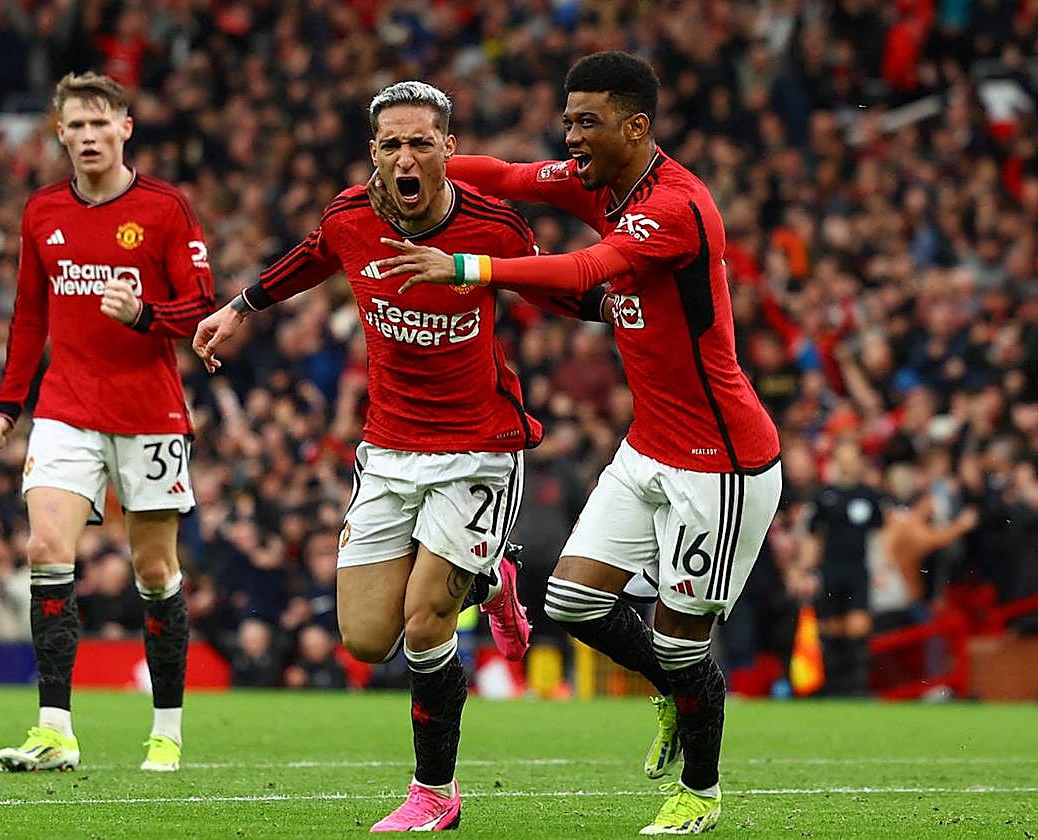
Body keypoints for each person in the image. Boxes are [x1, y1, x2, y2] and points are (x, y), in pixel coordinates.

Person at [372, 52, 782, 835]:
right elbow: (514, 176)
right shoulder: (600, 179)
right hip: (651, 446)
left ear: (637, 126)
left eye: (586, 122)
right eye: (568, 121)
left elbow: (594, 265)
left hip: (722, 462)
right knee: (572, 601)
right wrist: (426, 155)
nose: (571, 136)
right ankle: (677, 688)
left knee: (681, 638)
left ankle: (698, 791)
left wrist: (470, 266)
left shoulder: (679, 206)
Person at [193, 81, 604, 832]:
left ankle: (435, 793)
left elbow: (561, 292)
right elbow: (312, 256)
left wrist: (633, 290)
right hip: (387, 450)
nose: (406, 157)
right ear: (373, 155)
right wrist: (240, 307)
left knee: (423, 627)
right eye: (392, 145)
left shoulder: (492, 225)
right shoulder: (351, 217)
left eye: (422, 142)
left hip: (479, 449)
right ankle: (489, 576)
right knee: (366, 638)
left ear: (450, 149)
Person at [0, 72, 214, 773]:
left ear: (125, 128)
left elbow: (200, 305)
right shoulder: (42, 212)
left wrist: (144, 315)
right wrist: (6, 406)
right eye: (75, 125)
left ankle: (165, 729)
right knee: (46, 548)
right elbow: (29, 315)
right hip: (66, 408)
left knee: (154, 568)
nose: (87, 137)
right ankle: (55, 729)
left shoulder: (167, 209)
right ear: (59, 132)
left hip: (148, 412)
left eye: (99, 124)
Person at [801, 440, 883, 696]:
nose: (848, 463)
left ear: (859, 461)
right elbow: (814, 536)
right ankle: (834, 688)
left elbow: (879, 535)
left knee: (858, 626)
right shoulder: (825, 495)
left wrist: (882, 568)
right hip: (831, 569)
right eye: (843, 457)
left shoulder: (869, 495)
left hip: (857, 570)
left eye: (852, 456)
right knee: (831, 628)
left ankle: (857, 688)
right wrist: (807, 571)